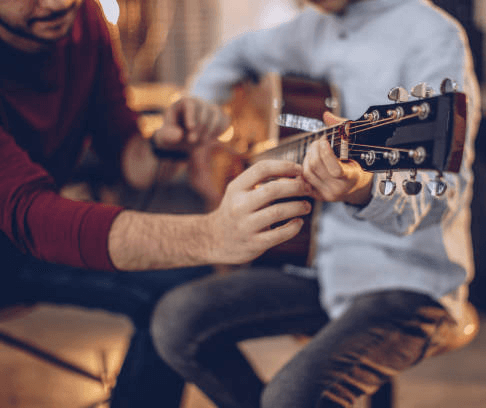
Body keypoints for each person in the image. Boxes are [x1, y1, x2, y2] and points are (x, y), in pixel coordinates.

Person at [150, 0, 482, 407]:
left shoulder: (432, 34)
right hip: (320, 267)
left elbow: (438, 195)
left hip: (409, 281)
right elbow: (235, 52)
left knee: (290, 397)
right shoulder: (309, 29)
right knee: (176, 320)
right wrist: (204, 99)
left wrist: (363, 188)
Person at [0, 0, 313, 407]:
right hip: (15, 240)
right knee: (182, 276)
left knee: (183, 286)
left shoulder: (85, 17)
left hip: (27, 235)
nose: (59, 3)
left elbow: (126, 156)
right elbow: (31, 218)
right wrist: (212, 234)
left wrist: (165, 144)